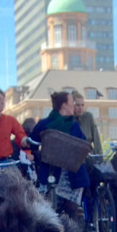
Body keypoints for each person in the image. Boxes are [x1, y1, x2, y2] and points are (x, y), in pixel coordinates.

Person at [30, 91, 91, 221]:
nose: (74, 105)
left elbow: (32, 143)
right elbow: (84, 144)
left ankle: (68, 230)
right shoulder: (74, 125)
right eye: (72, 102)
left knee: (59, 210)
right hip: (67, 172)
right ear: (64, 105)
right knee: (67, 210)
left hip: (57, 171)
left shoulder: (45, 123)